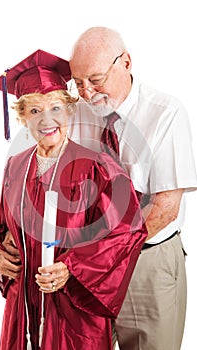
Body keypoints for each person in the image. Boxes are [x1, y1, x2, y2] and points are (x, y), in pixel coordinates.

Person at [0, 49, 148, 350]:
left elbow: (127, 233)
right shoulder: (15, 166)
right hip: (23, 307)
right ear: (22, 117)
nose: (47, 120)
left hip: (74, 313)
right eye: (35, 111)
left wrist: (72, 267)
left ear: (69, 110)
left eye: (55, 108)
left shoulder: (97, 165)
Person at [67, 26, 197, 350]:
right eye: (78, 83)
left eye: (95, 80)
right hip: (87, 263)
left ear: (125, 62)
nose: (86, 92)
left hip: (146, 263)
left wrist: (109, 252)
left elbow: (166, 208)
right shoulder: (78, 112)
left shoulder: (166, 114)